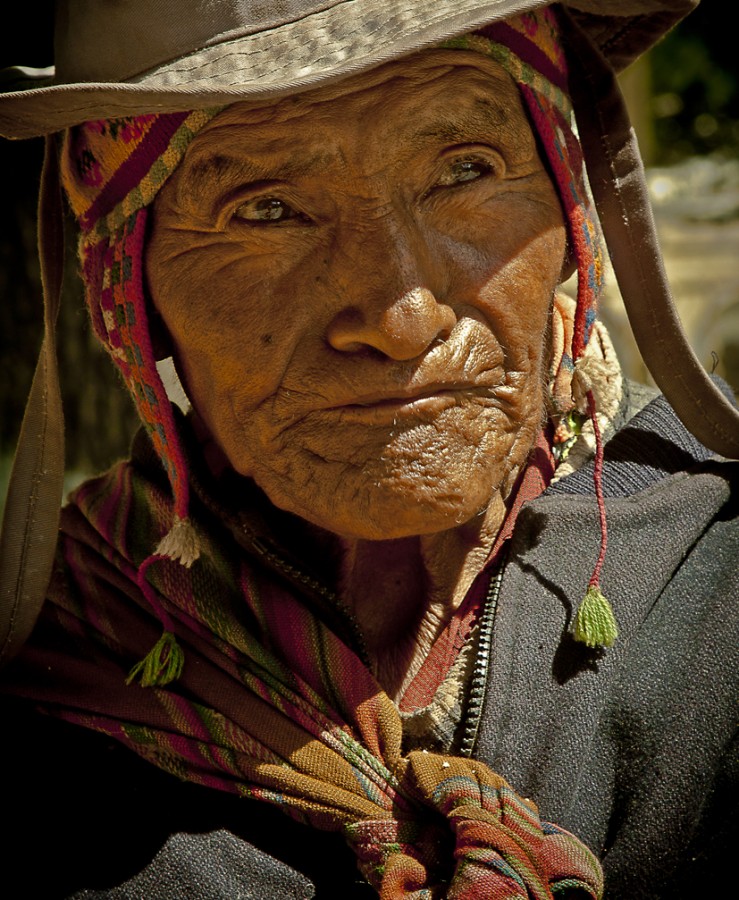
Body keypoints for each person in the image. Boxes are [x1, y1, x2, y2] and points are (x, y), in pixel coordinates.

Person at [0, 1, 737, 897]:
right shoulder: (55, 665)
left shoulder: (721, 566)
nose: (400, 318)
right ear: (128, 288)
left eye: (465, 170)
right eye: (267, 210)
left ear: (570, 210)